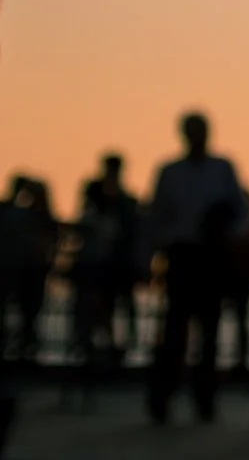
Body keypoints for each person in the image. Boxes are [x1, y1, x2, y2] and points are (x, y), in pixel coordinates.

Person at [144, 111, 249, 423]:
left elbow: (241, 210)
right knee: (175, 330)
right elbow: (156, 217)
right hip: (182, 255)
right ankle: (165, 396)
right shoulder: (171, 171)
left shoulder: (222, 168)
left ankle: (203, 398)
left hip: (210, 256)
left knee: (207, 331)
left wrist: (227, 235)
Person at [72, 154, 144, 385]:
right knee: (101, 312)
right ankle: (106, 351)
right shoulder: (121, 202)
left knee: (104, 311)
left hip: (110, 268)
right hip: (102, 267)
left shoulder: (122, 202)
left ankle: (107, 352)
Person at [0, 175, 60, 363]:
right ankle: (21, 346)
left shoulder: (37, 217)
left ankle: (23, 346)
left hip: (27, 271)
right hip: (16, 270)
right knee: (24, 313)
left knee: (28, 313)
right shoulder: (16, 214)